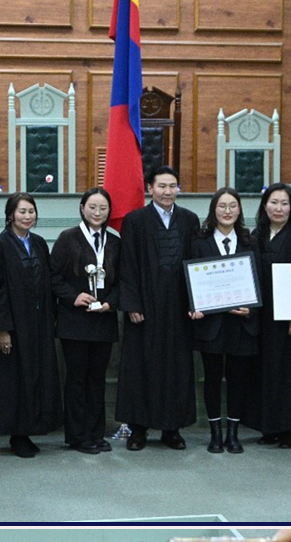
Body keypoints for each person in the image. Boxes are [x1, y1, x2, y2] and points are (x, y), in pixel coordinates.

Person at [117, 165, 201, 451]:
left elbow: (196, 264)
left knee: (176, 368)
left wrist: (195, 302)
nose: (168, 191)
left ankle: (172, 429)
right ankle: (138, 430)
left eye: (172, 186)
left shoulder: (189, 220)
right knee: (141, 366)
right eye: (162, 186)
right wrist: (131, 303)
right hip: (145, 308)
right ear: (149, 189)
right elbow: (127, 263)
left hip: (178, 309)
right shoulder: (135, 220)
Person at [0, 193, 61, 458]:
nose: (27, 216)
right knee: (14, 381)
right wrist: (2, 329)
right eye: (22, 212)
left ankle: (31, 429)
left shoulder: (39, 243)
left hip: (38, 324)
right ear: (10, 215)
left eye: (31, 211)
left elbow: (48, 283)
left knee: (37, 377)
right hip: (13, 328)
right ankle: (17, 435)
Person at [186, 187, 259, 454]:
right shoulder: (199, 242)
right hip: (211, 325)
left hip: (241, 325)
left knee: (238, 380)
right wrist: (194, 305)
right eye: (222, 206)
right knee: (213, 379)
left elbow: (261, 282)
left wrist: (251, 309)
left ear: (239, 210)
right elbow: (189, 280)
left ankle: (233, 434)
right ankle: (215, 433)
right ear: (213, 210)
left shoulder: (251, 242)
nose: (227, 211)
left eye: (232, 206)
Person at [49, 187, 121, 454]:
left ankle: (96, 433)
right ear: (82, 208)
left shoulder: (115, 242)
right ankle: (78, 436)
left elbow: (123, 281)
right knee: (77, 378)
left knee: (97, 379)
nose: (97, 212)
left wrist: (110, 302)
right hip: (75, 322)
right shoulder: (67, 238)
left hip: (104, 321)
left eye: (103, 208)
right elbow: (53, 277)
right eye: (92, 207)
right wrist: (74, 296)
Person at [246, 182, 291, 450]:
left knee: (289, 373)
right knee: (264, 372)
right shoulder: (257, 234)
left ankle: (289, 429)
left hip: (289, 320)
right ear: (265, 206)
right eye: (274, 202)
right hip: (262, 316)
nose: (279, 208)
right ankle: (269, 427)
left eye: (284, 203)